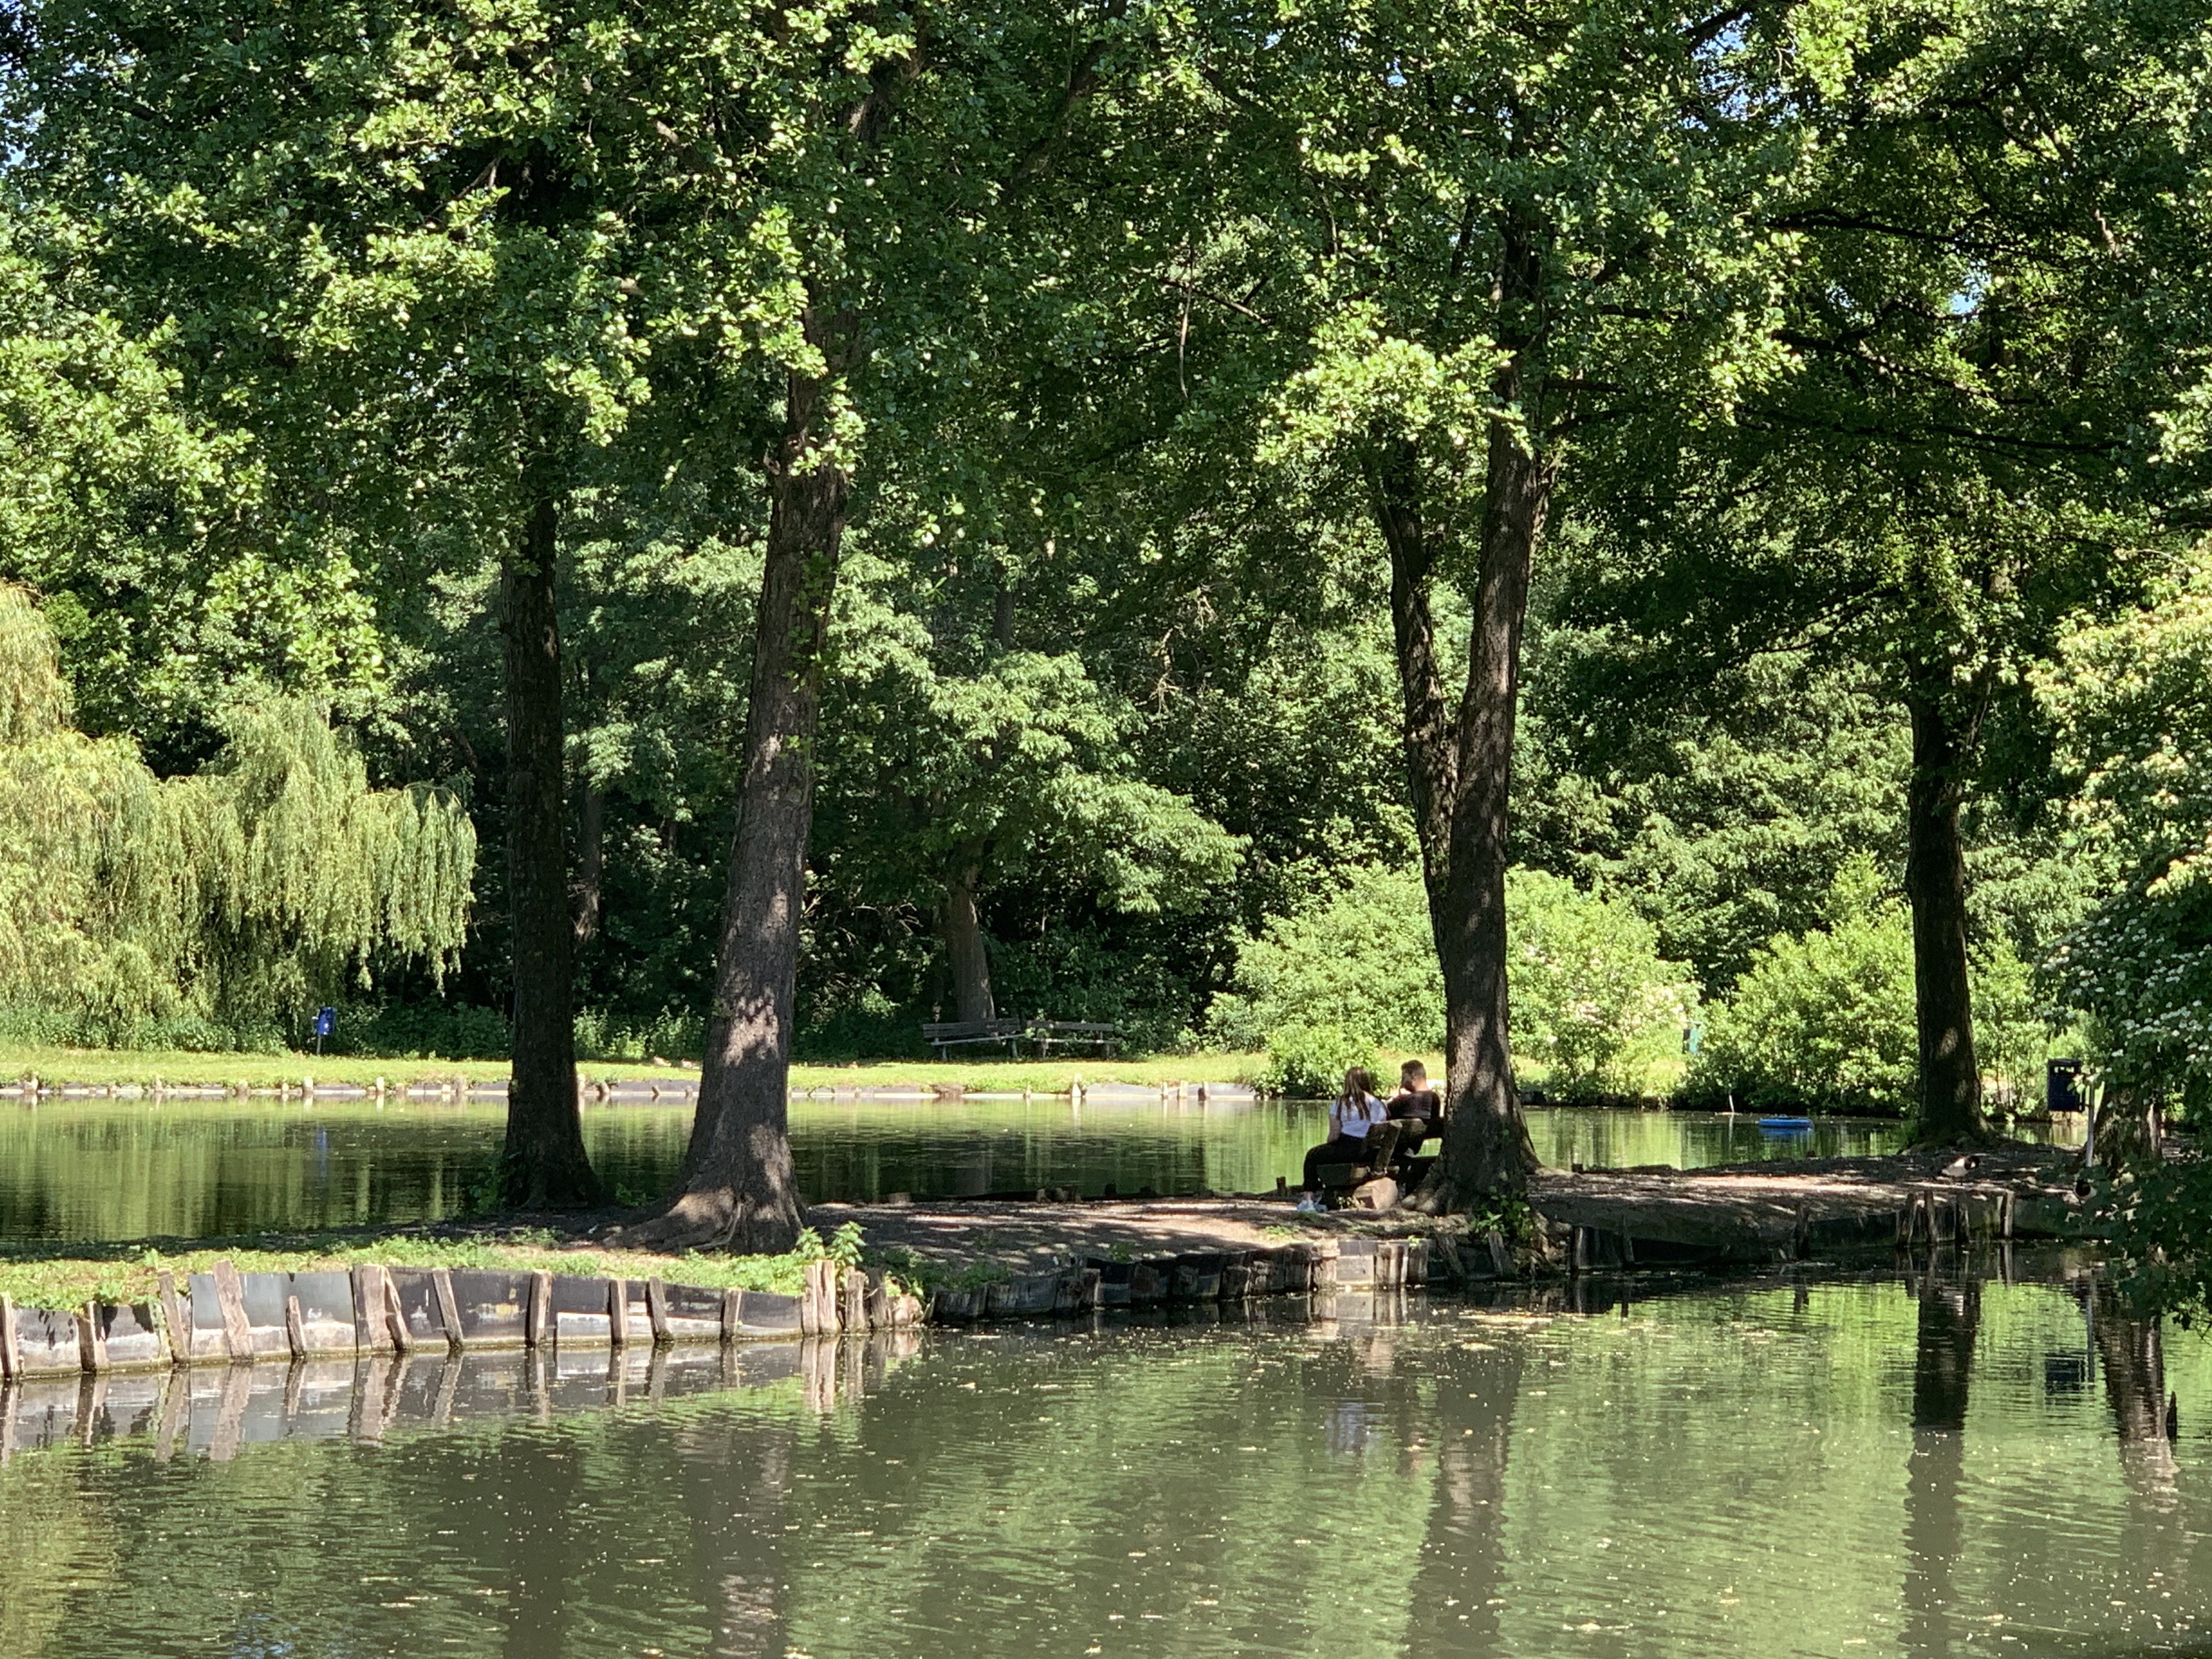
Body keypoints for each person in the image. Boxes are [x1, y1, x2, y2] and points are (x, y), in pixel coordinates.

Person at [1301, 1066, 1387, 1192]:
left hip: (1348, 1150)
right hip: (1370, 1153)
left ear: (1347, 1083)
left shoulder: (1341, 1103)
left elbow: (1334, 1136)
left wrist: (1329, 1145)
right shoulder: (1378, 1104)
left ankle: (1309, 1197)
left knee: (1313, 1155)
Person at [1386, 1060, 1442, 1149]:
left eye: (1404, 1078)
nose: (1402, 1083)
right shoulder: (1435, 1099)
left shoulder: (1404, 1101)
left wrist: (1395, 1099)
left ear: (1413, 1076)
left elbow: (1383, 1115)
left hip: (1395, 1149)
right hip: (1413, 1149)